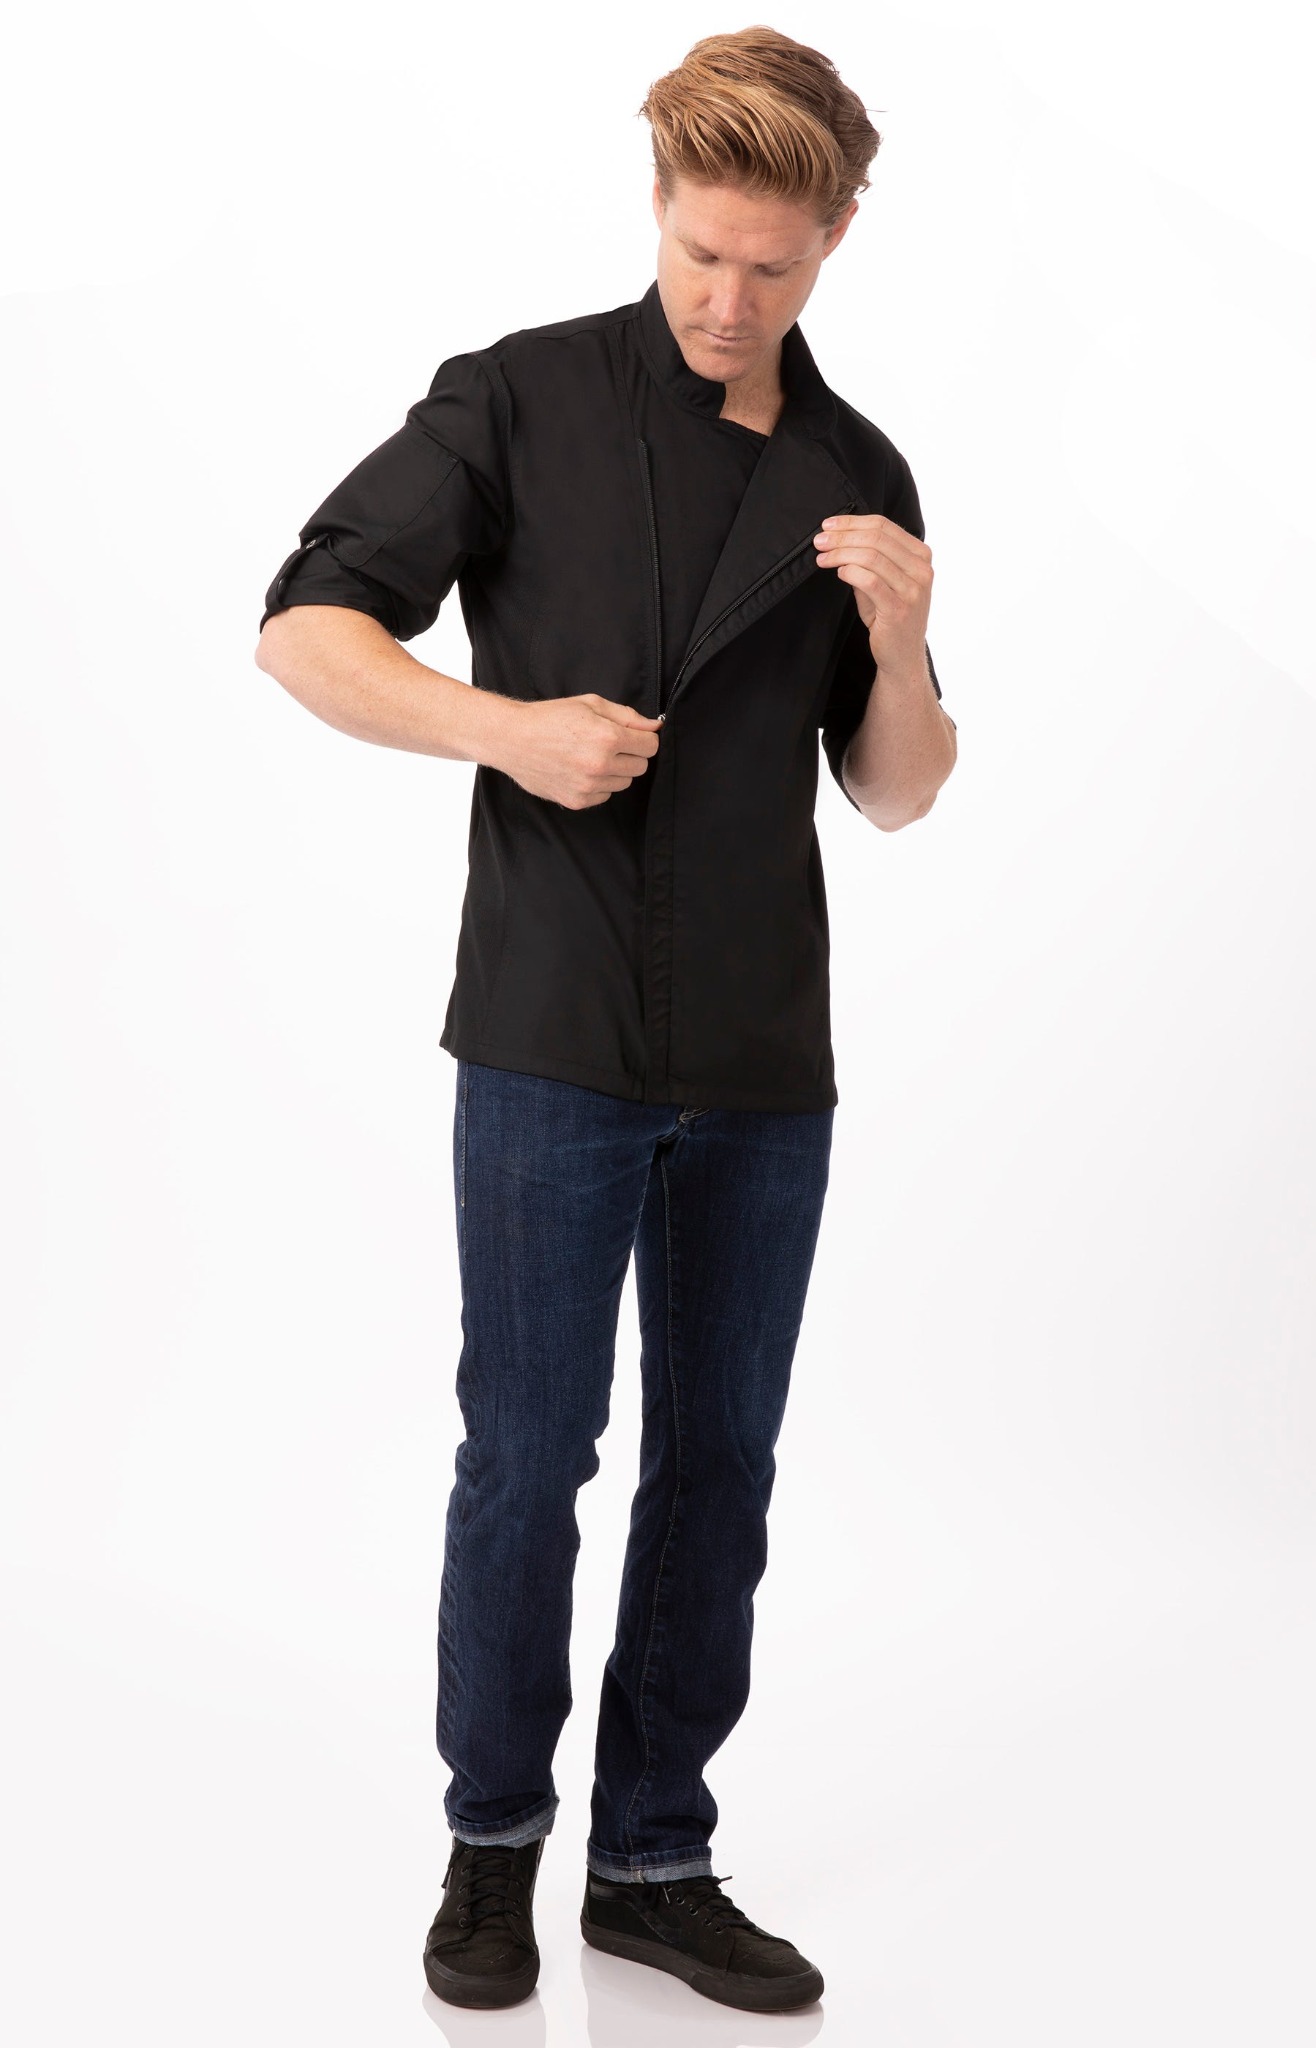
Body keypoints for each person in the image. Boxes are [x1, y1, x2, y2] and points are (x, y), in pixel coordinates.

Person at [255, 24, 957, 2017]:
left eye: (772, 267)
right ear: (656, 206)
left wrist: (904, 642)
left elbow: (894, 789)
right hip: (551, 1026)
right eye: (700, 254)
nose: (729, 300)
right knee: (526, 1453)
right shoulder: (520, 395)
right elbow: (304, 626)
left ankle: (654, 1858)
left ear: (835, 241)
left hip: (761, 1050)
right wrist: (506, 728)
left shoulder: (857, 471)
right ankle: (491, 1846)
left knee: (719, 1466)